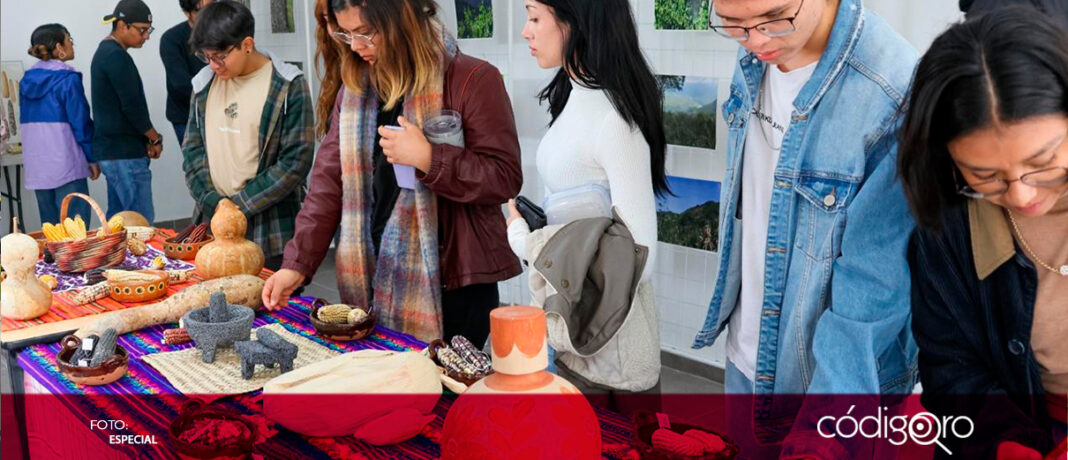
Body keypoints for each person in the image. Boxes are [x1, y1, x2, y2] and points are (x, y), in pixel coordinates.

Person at [694, 0, 919, 458]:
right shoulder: (758, 55)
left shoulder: (891, 90)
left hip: (835, 389)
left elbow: (875, 287)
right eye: (734, 24)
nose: (755, 40)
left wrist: (826, 426)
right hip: (746, 358)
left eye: (774, 17)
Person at [261, 0, 521, 345]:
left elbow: (503, 176)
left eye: (365, 33)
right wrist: (297, 263)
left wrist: (430, 159)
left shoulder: (472, 78)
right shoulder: (354, 90)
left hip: (454, 284)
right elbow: (327, 185)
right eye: (346, 33)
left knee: (444, 395)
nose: (355, 46)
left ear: (403, 19)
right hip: (370, 276)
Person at [900, 6, 1068, 459]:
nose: (1020, 195)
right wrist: (1004, 443)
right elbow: (951, 370)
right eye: (985, 175)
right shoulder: (949, 226)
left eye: (1042, 162)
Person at [505, 0, 665, 406]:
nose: (526, 31)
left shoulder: (613, 122)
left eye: (535, 17)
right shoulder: (572, 98)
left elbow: (639, 260)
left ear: (575, 22)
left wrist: (528, 244)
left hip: (612, 357)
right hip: (573, 337)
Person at [181, 1, 314, 272]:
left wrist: (237, 207)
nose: (214, 65)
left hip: (270, 229)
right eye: (207, 57)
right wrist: (216, 204)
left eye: (220, 56)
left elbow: (295, 162)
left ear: (247, 44)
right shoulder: (204, 84)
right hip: (214, 226)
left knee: (274, 309)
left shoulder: (287, 85)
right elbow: (192, 152)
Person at [92, 0, 163, 223]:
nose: (146, 36)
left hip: (114, 153)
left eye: (148, 30)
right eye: (142, 30)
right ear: (122, 25)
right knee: (140, 224)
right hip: (124, 154)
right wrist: (154, 137)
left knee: (119, 224)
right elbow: (132, 106)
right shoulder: (115, 56)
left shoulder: (107, 53)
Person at [19, 23, 96, 226]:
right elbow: (81, 123)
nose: (72, 44)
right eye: (69, 39)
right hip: (67, 164)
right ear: (60, 48)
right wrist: (92, 157)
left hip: (38, 167)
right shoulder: (68, 79)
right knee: (76, 231)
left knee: (51, 230)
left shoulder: (26, 80)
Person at [160, 0, 211, 146]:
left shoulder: (223, 33)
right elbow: (181, 84)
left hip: (220, 110)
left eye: (212, 8)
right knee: (196, 164)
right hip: (186, 114)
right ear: (186, 12)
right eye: (200, 11)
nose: (208, 15)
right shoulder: (171, 39)